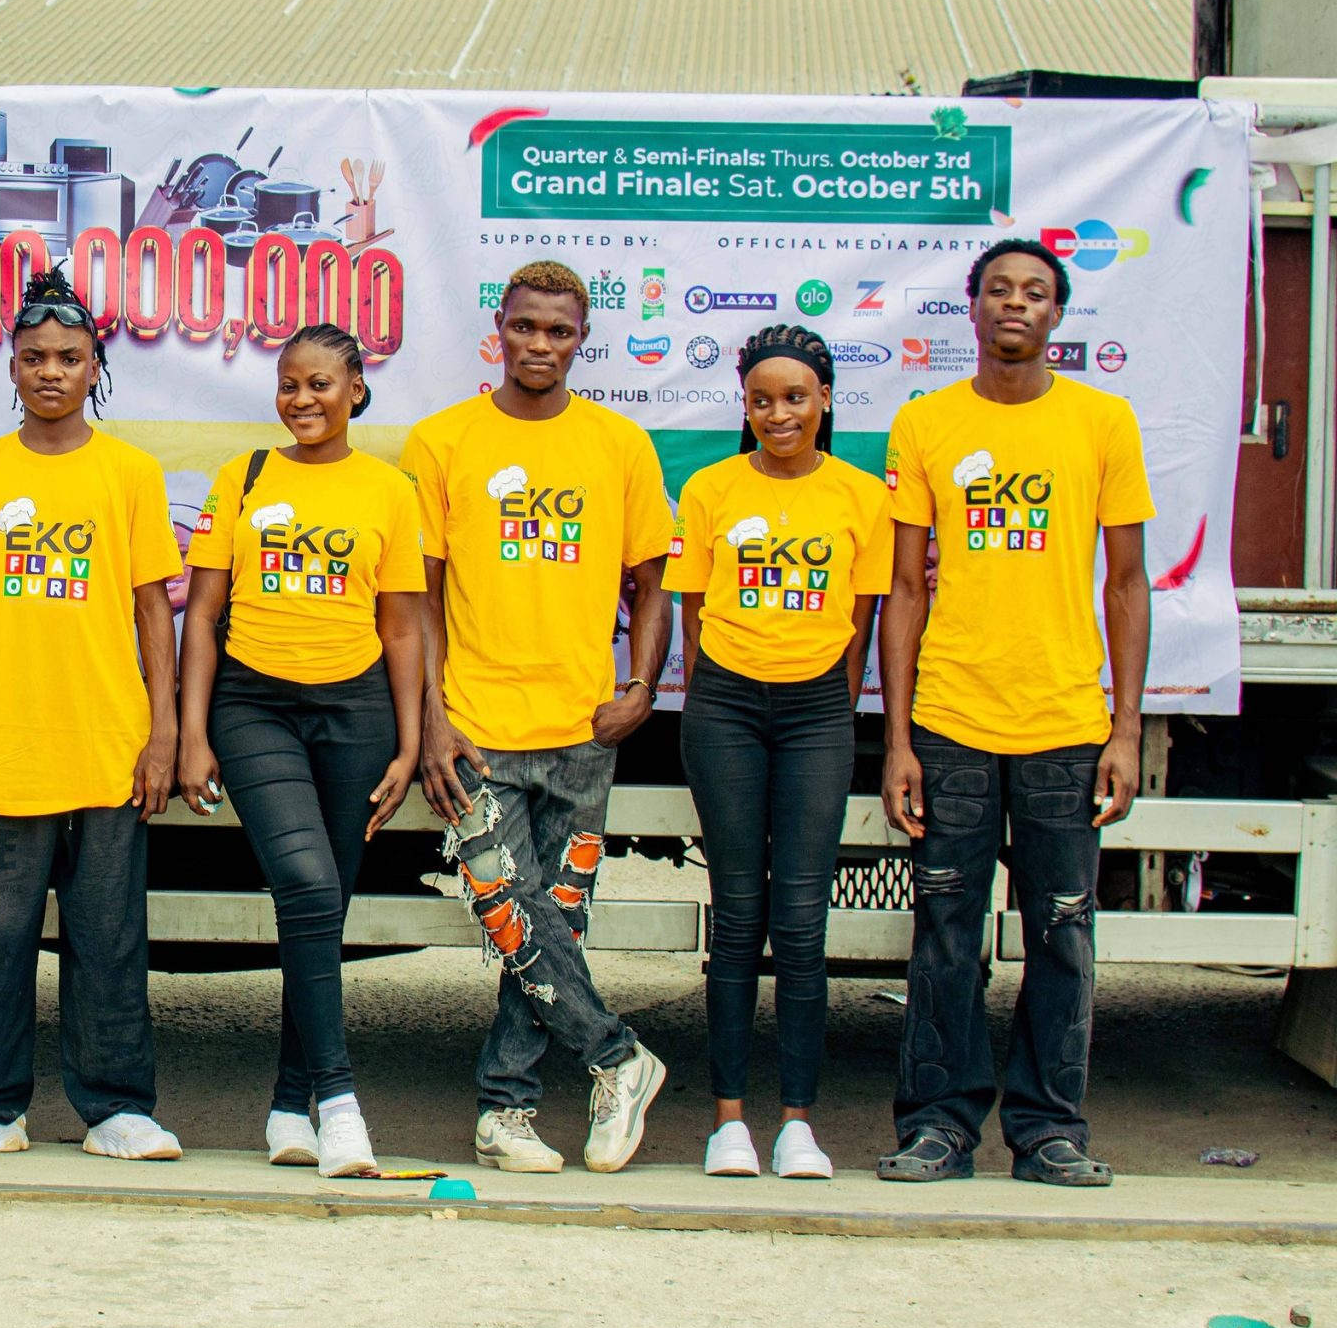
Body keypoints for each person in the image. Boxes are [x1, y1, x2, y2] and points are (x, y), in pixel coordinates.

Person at [878, 238, 1153, 1187]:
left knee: (1061, 934)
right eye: (998, 289)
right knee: (946, 933)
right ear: (972, 306)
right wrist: (899, 739)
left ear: (1057, 314)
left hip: (1066, 723)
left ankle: (1049, 1131)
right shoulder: (927, 422)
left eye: (1035, 291)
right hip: (952, 720)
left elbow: (1126, 582)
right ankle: (937, 1126)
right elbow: (904, 587)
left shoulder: (1102, 421)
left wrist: (1126, 728)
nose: (1015, 303)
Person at [0, 266, 187, 1160]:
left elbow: (154, 609)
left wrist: (165, 731)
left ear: (96, 365)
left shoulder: (130, 473)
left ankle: (118, 1108)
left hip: (109, 743)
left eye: (69, 356)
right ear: (13, 368)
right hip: (3, 744)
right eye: (35, 357)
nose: (52, 371)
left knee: (109, 939)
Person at [403, 259, 673, 1175]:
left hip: (582, 728)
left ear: (581, 339)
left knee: (552, 922)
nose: (540, 345)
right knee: (509, 910)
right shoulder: (444, 441)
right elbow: (419, 598)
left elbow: (652, 581)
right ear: (500, 330)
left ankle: (506, 1109)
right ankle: (617, 1057)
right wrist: (433, 717)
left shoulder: (619, 444)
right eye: (525, 326)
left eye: (559, 331)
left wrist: (641, 685)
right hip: (477, 727)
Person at [175, 323, 424, 1178]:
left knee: (321, 912)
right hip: (255, 706)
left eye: (320, 383)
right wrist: (193, 732)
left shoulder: (389, 490)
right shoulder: (242, 477)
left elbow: (403, 628)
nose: (302, 398)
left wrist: (410, 742)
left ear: (356, 388)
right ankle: (341, 1104)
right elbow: (203, 614)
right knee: (308, 885)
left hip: (358, 713)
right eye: (289, 383)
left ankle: (289, 1105)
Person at [664, 325, 889, 1180]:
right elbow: (692, 613)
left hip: (817, 713)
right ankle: (728, 1122)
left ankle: (798, 1123)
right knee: (737, 916)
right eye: (761, 399)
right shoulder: (711, 489)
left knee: (800, 923)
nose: (778, 412)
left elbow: (861, 622)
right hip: (724, 708)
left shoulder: (861, 496)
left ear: (825, 398)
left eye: (795, 396)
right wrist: (721, 690)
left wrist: (824, 701)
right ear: (746, 406)